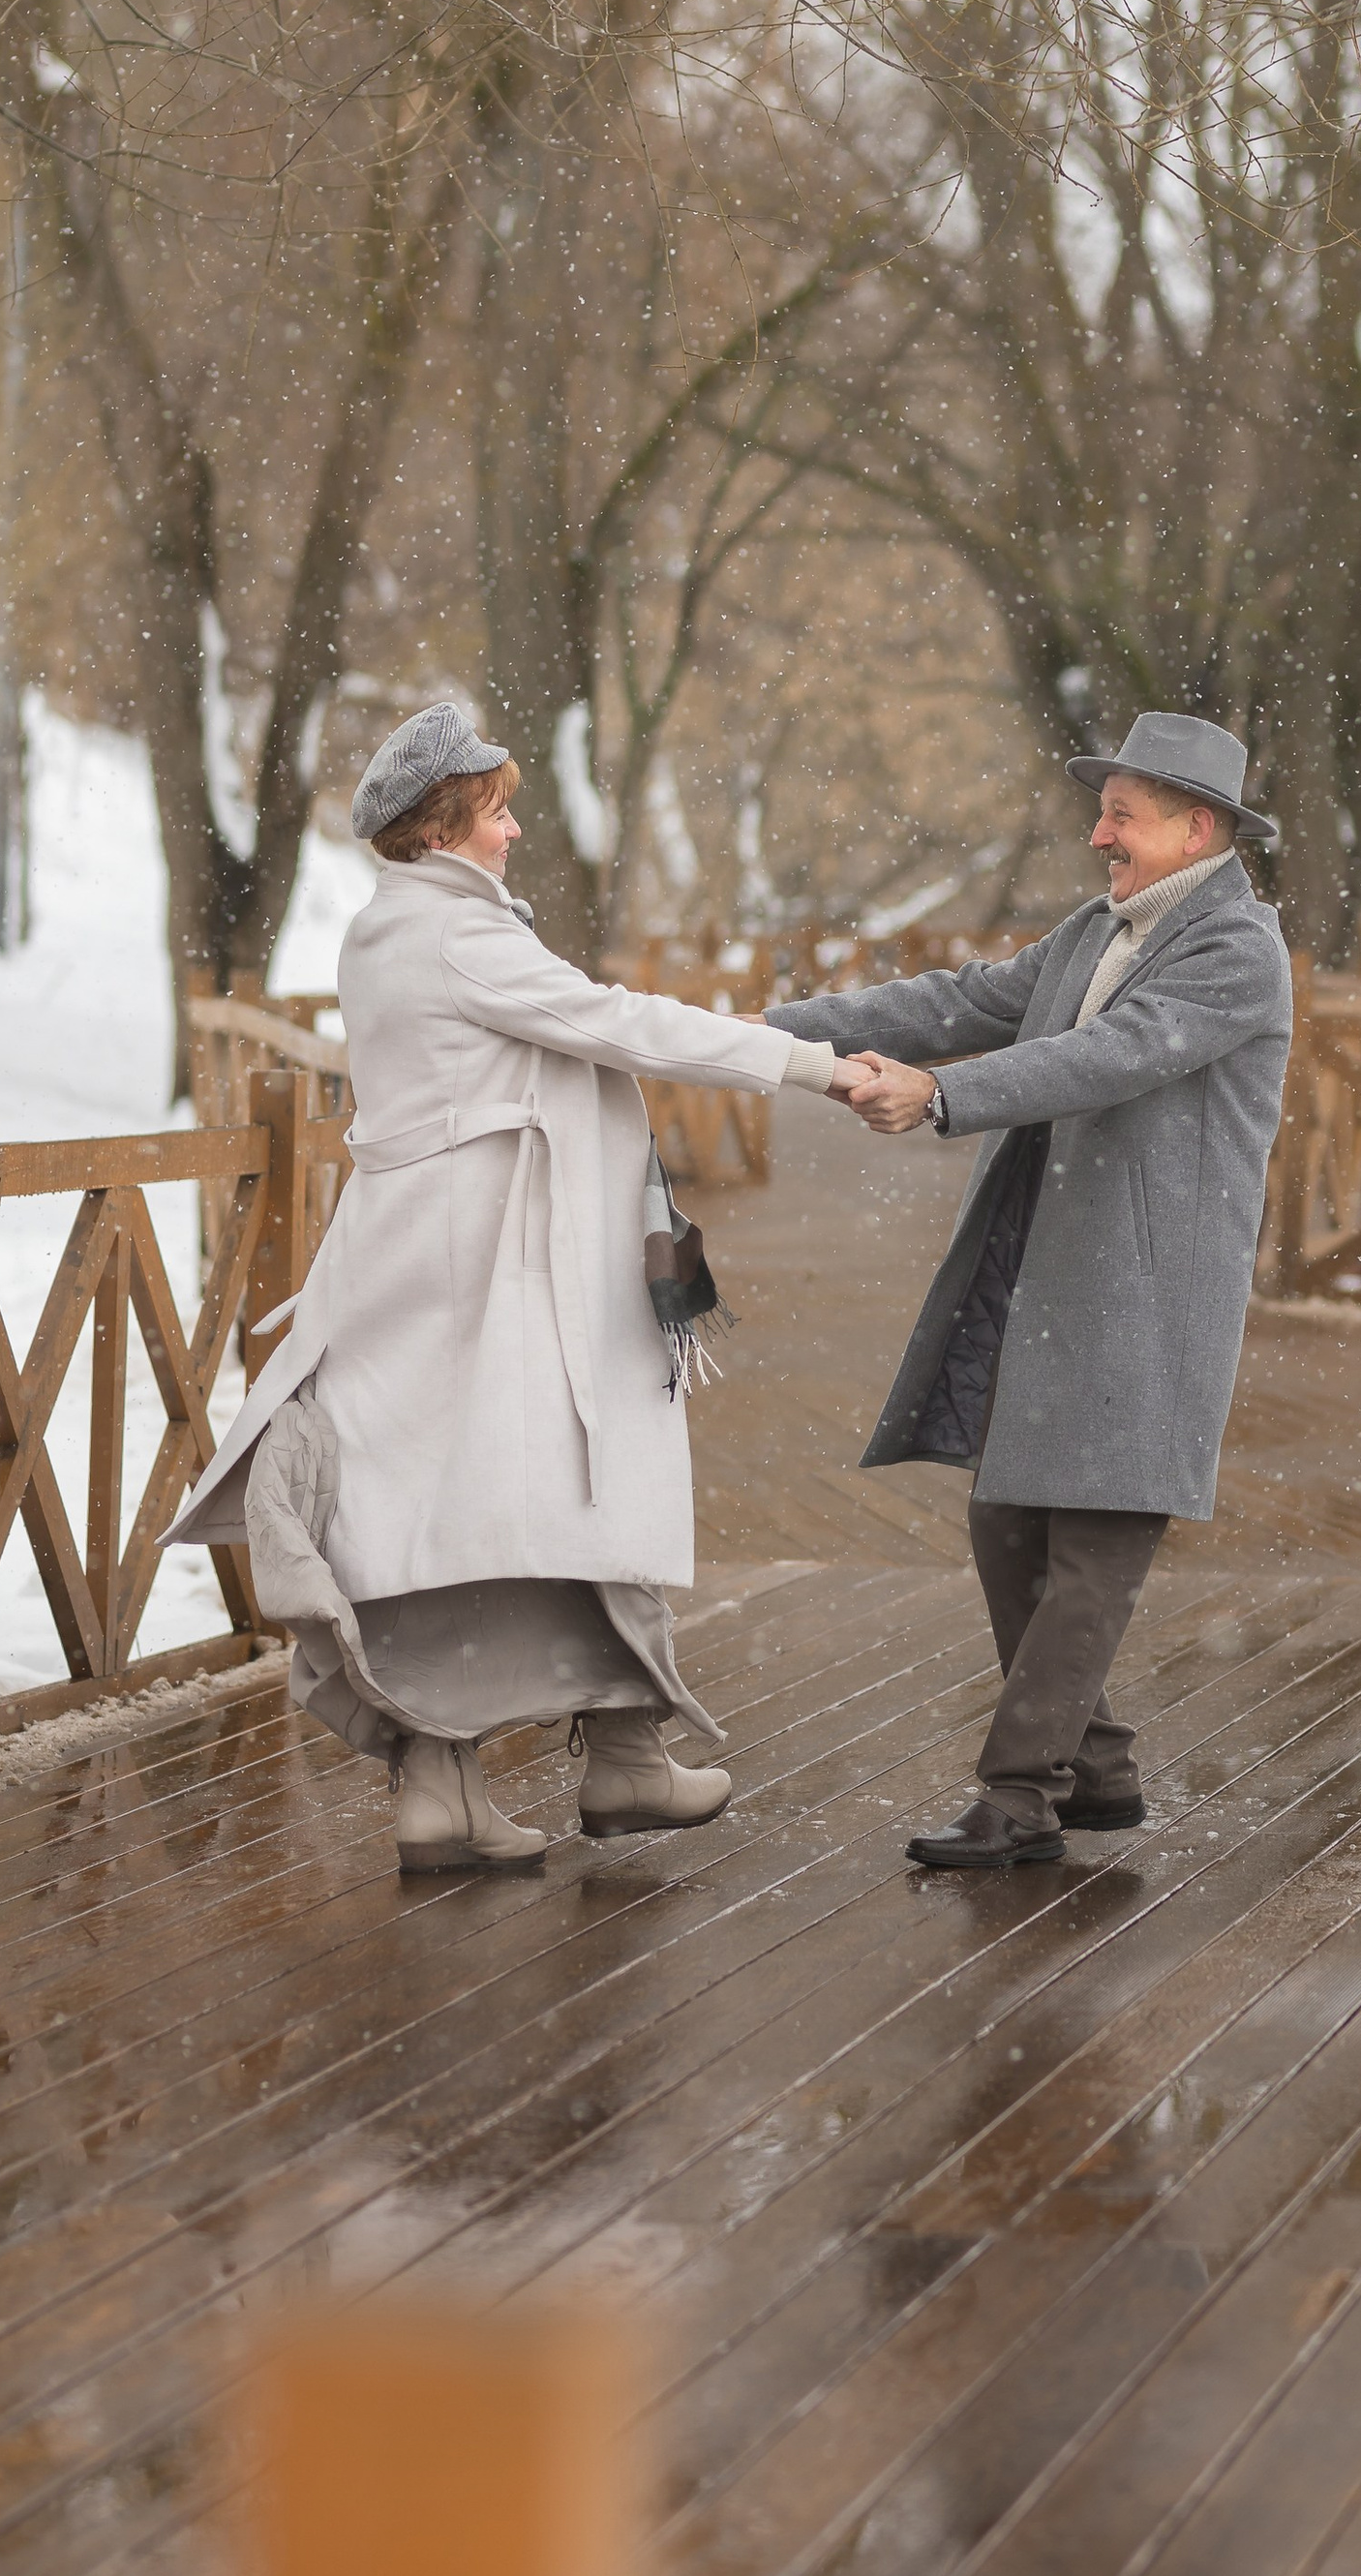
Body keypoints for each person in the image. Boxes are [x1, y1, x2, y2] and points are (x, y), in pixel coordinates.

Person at [169, 701, 873, 1874]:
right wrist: (803, 1062)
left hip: (428, 1275)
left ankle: (451, 1789)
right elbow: (618, 1024)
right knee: (563, 1499)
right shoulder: (458, 936)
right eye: (494, 810)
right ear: (442, 829)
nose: (513, 828)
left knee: (438, 1521)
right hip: (490, 1281)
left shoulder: (388, 928)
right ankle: (622, 1756)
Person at [768, 712, 1292, 1872]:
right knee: (1006, 1518)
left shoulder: (1234, 949)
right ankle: (1093, 1769)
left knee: (1093, 1546)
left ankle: (1018, 1799)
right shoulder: (1095, 929)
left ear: (1196, 827)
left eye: (1123, 812)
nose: (1098, 830)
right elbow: (954, 1000)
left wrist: (940, 1100)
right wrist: (758, 1036)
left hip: (1148, 1297)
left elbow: (1109, 1055)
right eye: (1102, 807)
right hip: (1059, 1280)